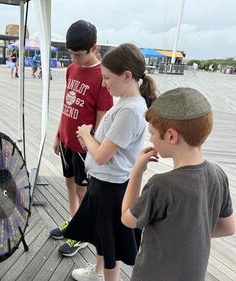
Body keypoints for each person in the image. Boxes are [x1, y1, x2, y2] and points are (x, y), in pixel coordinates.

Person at [64, 43, 157, 281]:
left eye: (107, 78)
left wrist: (85, 134)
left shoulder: (130, 111)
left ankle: (106, 277)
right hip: (106, 182)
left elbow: (103, 155)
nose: (104, 83)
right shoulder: (127, 105)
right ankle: (97, 272)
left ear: (126, 76)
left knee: (110, 246)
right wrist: (90, 141)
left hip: (110, 188)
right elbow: (107, 150)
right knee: (103, 238)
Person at [121, 87, 236, 281]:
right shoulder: (218, 175)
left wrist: (137, 172)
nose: (150, 139)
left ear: (171, 136)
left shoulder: (162, 185)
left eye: (152, 133)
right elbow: (228, 227)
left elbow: (127, 219)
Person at [50, 20, 113, 257]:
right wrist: (58, 134)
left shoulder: (102, 77)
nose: (74, 59)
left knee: (82, 190)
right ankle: (74, 221)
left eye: (79, 54)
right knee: (69, 183)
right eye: (71, 54)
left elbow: (101, 120)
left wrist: (93, 149)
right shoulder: (71, 70)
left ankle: (84, 233)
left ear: (94, 48)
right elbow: (67, 106)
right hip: (67, 141)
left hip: (84, 146)